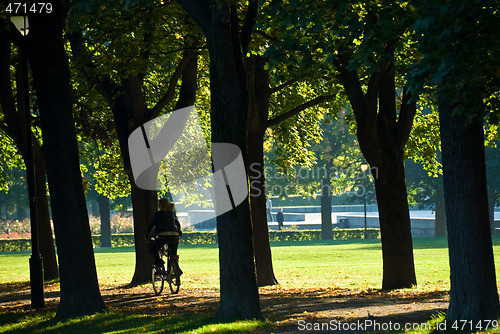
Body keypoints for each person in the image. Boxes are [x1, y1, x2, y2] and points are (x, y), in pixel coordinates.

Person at [144, 198, 182, 273]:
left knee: (154, 249)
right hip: (175, 235)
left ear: (160, 205)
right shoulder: (172, 213)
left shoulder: (157, 214)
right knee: (173, 253)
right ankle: (175, 268)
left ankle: (159, 264)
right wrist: (178, 231)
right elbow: (177, 224)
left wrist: (146, 235)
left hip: (163, 235)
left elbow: (151, 226)